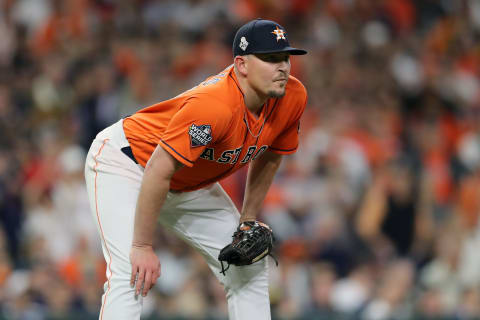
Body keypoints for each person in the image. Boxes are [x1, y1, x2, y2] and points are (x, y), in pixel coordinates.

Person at [84, 18, 307, 320]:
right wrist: (142, 245)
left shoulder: (292, 97)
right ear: (241, 64)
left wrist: (248, 219)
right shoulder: (215, 106)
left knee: (249, 265)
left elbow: (270, 157)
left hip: (184, 180)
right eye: (269, 58)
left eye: (285, 57)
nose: (282, 66)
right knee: (131, 271)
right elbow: (158, 170)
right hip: (127, 162)